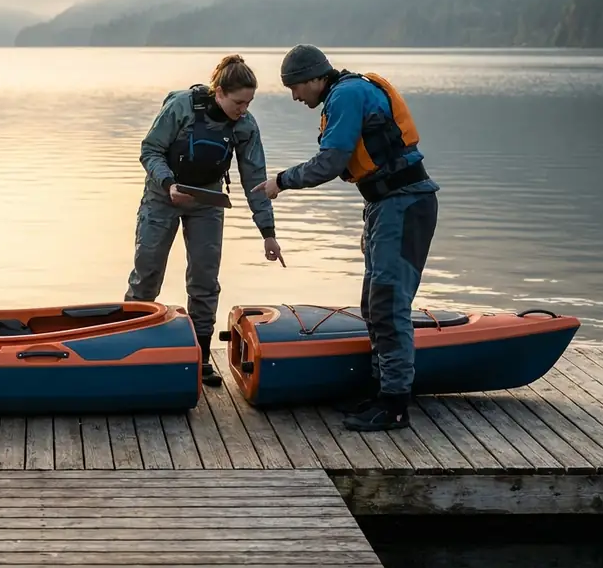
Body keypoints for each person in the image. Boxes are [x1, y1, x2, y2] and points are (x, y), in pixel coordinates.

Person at [252, 44, 439, 432]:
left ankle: (396, 406)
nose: (295, 97)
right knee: (372, 305)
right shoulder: (346, 92)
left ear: (316, 78)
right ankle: (381, 391)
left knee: (388, 305)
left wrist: (281, 183)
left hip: (404, 205)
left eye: (297, 87)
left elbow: (332, 161)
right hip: (384, 205)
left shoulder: (348, 94)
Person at [126, 55, 284, 387]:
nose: (244, 108)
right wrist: (169, 185)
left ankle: (198, 356)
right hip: (162, 196)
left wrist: (268, 233)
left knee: (204, 279)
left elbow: (255, 179)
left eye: (249, 102)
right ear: (220, 92)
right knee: (147, 273)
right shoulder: (182, 107)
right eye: (239, 102)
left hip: (207, 201)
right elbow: (150, 150)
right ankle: (130, 346)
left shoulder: (245, 126)